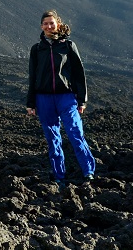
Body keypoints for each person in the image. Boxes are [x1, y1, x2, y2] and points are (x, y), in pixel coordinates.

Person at [26, 10, 95, 188]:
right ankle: (59, 176)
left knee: (75, 133)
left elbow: (79, 74)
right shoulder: (37, 49)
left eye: (52, 23)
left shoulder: (68, 46)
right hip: (43, 98)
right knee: (52, 137)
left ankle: (88, 172)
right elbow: (32, 76)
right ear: (41, 26)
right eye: (45, 23)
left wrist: (82, 100)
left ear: (57, 24)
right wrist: (30, 103)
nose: (49, 26)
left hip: (66, 97)